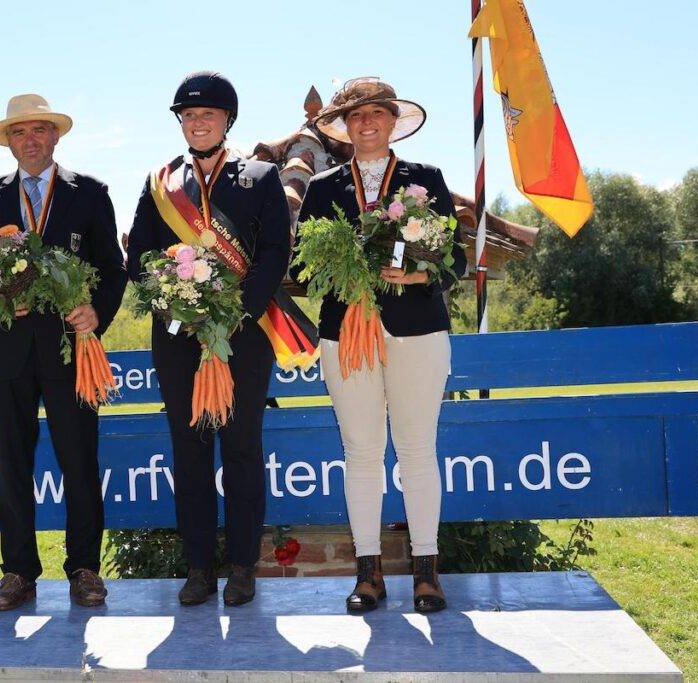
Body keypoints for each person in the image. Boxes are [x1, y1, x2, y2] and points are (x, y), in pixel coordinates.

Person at [295, 77, 468, 614]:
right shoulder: (323, 188)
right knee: (362, 454)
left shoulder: (426, 179)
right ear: (344, 127)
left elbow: (456, 261)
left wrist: (417, 277)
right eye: (356, 115)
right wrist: (345, 275)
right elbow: (307, 268)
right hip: (347, 333)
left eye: (377, 113)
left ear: (394, 121)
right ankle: (367, 574)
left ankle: (426, 573)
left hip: (419, 330)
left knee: (418, 452)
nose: (366, 123)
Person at [126, 71, 296, 607]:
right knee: (190, 451)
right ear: (181, 122)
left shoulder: (261, 176)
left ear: (228, 120)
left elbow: (274, 254)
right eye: (189, 115)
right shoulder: (159, 183)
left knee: (243, 449)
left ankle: (243, 566)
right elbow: (140, 262)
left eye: (208, 115)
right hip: (178, 338)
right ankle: (199, 568)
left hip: (244, 336)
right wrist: (182, 305)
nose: (198, 123)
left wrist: (234, 312)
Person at [0, 93, 127, 611]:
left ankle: (84, 569)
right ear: (9, 143)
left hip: (72, 352)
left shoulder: (90, 193)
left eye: (38, 131)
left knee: (79, 461)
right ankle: (18, 573)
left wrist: (97, 312)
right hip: (5, 355)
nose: (29, 141)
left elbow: (113, 269)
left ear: (55, 136)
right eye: (18, 133)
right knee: (11, 466)